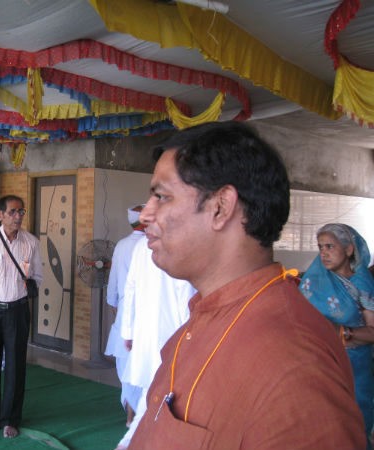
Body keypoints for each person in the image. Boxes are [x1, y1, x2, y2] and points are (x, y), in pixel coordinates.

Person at [128, 121, 365, 449]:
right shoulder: (205, 316)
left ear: (221, 207)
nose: (145, 215)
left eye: (161, 197)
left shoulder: (293, 366)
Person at [116, 234, 195, 449]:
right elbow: (185, 294)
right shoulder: (179, 242)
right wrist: (190, 336)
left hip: (146, 332)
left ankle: (129, 441)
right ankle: (130, 442)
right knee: (160, 392)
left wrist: (128, 331)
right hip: (170, 332)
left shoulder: (143, 244)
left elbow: (129, 288)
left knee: (151, 392)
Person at [0, 195, 43, 439]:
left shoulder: (31, 243)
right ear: (1, 215)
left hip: (17, 310)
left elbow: (37, 275)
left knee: (15, 367)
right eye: (13, 212)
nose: (18, 217)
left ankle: (10, 420)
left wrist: (23, 289)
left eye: (21, 212)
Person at [300, 223, 374, 444]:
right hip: (317, 361)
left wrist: (341, 333)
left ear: (349, 249)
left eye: (330, 246)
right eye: (321, 247)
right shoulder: (315, 280)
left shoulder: (362, 285)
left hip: (353, 368)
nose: (324, 253)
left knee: (351, 422)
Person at [104, 204, 145, 427]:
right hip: (143, 312)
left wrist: (116, 308)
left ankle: (131, 416)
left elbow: (113, 283)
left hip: (123, 310)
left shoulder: (121, 245)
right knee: (140, 365)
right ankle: (135, 416)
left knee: (127, 365)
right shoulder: (149, 245)